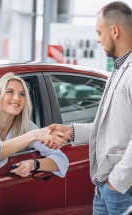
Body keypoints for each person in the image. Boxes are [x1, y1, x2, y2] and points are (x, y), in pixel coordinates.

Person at [46, 1, 132, 214]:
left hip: (121, 190)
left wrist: (117, 182)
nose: (97, 39)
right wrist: (71, 132)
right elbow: (109, 128)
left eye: (99, 32)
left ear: (114, 31)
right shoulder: (119, 68)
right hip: (104, 188)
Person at [0, 72, 69, 178]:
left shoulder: (26, 125)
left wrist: (34, 164)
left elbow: (61, 160)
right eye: (10, 92)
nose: (17, 98)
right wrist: (32, 136)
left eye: (22, 94)